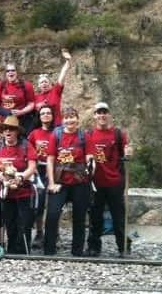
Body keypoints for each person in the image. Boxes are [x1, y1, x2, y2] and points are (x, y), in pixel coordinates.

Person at [86, 102, 134, 257]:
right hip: (95, 183)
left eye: (104, 112)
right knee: (95, 217)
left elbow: (128, 149)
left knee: (118, 216)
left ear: (109, 115)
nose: (102, 115)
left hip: (115, 181)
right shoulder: (89, 135)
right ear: (94, 116)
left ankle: (123, 247)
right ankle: (94, 247)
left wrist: (129, 153)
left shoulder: (118, 134)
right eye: (99, 112)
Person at [44, 106, 92, 256]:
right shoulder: (56, 135)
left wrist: (91, 164)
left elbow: (89, 156)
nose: (69, 119)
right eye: (67, 117)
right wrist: (51, 183)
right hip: (60, 182)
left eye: (72, 116)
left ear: (77, 119)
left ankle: (77, 251)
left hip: (79, 181)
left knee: (79, 217)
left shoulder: (84, 136)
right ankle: (49, 250)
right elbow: (50, 159)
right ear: (62, 120)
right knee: (52, 214)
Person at [0, 116, 37, 254]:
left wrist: (21, 177)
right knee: (9, 221)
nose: (8, 131)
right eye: (5, 129)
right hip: (6, 190)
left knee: (24, 222)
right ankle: (12, 250)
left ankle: (24, 252)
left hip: (23, 191)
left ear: (17, 131)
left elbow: (32, 166)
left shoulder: (26, 145)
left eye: (11, 129)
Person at [26, 105, 56, 248]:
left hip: (54, 170)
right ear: (39, 117)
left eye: (48, 113)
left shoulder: (58, 132)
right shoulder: (34, 134)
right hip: (38, 170)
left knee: (54, 203)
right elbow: (28, 151)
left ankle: (54, 233)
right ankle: (39, 232)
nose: (45, 115)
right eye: (42, 113)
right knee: (39, 202)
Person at [34, 49, 72, 126]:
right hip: (42, 127)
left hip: (56, 126)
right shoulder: (35, 97)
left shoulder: (55, 91)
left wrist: (68, 61)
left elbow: (62, 75)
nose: (44, 84)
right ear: (39, 86)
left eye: (46, 81)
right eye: (41, 82)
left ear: (50, 84)